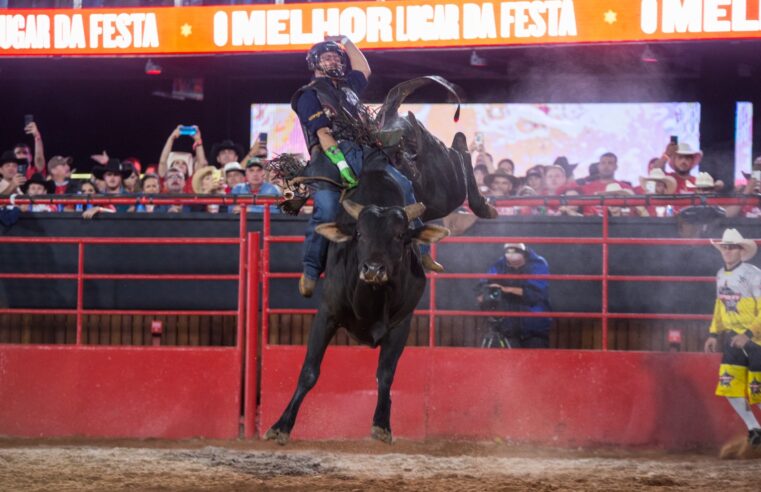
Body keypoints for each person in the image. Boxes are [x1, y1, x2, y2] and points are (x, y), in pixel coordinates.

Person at [292, 35, 441, 297]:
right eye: (327, 57)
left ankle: (423, 252)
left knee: (404, 185)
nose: (334, 60)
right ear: (314, 63)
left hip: (364, 149)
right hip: (329, 155)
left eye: (337, 57)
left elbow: (363, 68)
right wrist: (342, 166)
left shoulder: (348, 86)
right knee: (326, 209)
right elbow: (324, 135)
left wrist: (346, 41)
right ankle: (311, 270)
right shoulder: (308, 95)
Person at [704, 228, 761, 457]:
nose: (727, 250)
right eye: (725, 246)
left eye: (732, 247)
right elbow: (720, 306)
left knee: (758, 392)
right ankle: (754, 428)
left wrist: (748, 333)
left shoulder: (754, 275)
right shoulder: (720, 274)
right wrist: (714, 334)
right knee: (729, 387)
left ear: (741, 251)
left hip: (756, 341)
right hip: (732, 338)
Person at [476, 243, 552, 348]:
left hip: (534, 328)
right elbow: (484, 283)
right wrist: (483, 293)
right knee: (510, 362)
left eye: (514, 251)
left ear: (524, 253)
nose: (510, 256)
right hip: (509, 328)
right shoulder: (499, 265)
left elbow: (535, 294)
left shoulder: (537, 264)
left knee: (535, 360)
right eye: (508, 251)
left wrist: (506, 289)